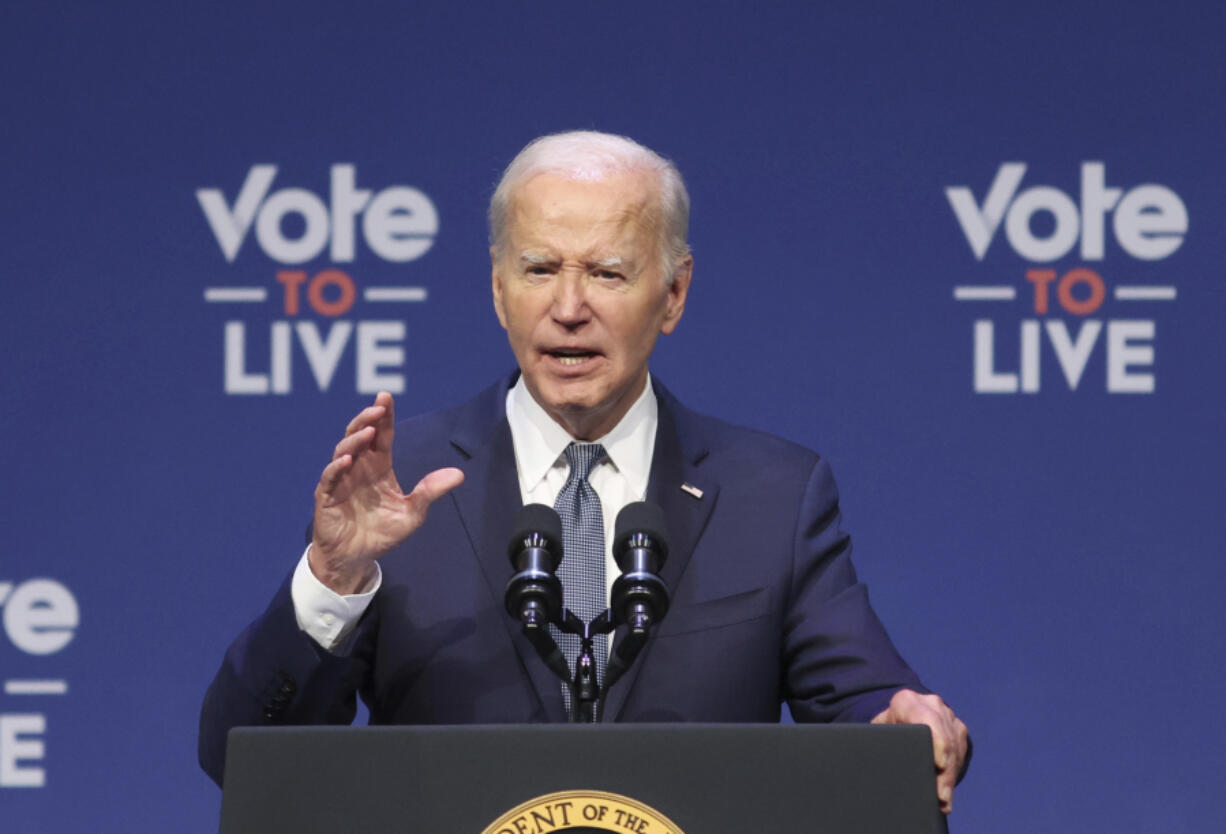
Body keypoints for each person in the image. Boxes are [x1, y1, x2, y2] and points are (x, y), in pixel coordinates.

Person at [199, 130, 970, 812]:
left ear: (674, 294)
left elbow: (871, 704)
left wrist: (902, 729)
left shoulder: (771, 494)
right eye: (538, 269)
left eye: (607, 272)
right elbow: (243, 759)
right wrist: (332, 578)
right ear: (498, 291)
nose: (568, 307)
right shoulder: (399, 488)